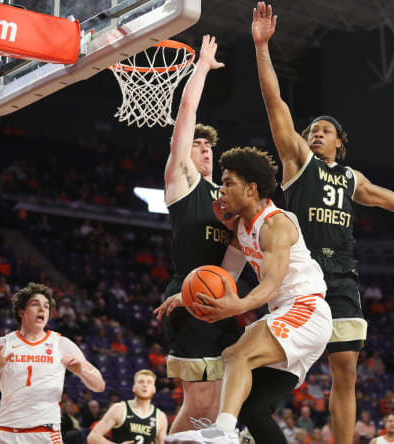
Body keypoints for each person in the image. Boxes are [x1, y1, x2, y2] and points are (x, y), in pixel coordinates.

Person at [251, 4, 394, 444]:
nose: (315, 132)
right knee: (280, 365)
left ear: (340, 143)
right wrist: (262, 47)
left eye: (324, 129)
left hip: (343, 276)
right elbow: (275, 102)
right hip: (301, 275)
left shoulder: (351, 178)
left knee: (346, 370)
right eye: (312, 128)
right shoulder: (298, 161)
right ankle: (252, 417)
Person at [161, 146, 332, 444]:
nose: (221, 191)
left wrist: (237, 306)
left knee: (236, 355)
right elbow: (226, 275)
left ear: (251, 189)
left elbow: (270, 284)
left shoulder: (276, 224)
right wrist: (186, 295)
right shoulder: (242, 227)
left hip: (305, 310)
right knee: (254, 409)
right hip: (288, 316)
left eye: (229, 184)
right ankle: (231, 430)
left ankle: (224, 432)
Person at [157, 34, 241, 433]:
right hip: (186, 296)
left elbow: (237, 258)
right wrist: (202, 68)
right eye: (198, 143)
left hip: (221, 298)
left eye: (210, 145)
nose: (204, 148)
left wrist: (231, 297)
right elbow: (186, 112)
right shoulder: (182, 181)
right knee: (200, 403)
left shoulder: (227, 199)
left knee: (223, 402)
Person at [0, 282, 105, 444]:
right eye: (35, 304)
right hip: (7, 432)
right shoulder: (3, 344)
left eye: (46, 306)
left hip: (45, 433)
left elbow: (99, 385)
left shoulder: (61, 343)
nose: (42, 309)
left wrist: (81, 370)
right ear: (21, 311)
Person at [88, 369, 168, 444]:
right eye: (141, 382)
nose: (145, 385)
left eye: (149, 382)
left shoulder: (160, 416)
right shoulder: (119, 409)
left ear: (154, 389)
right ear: (134, 388)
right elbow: (92, 437)